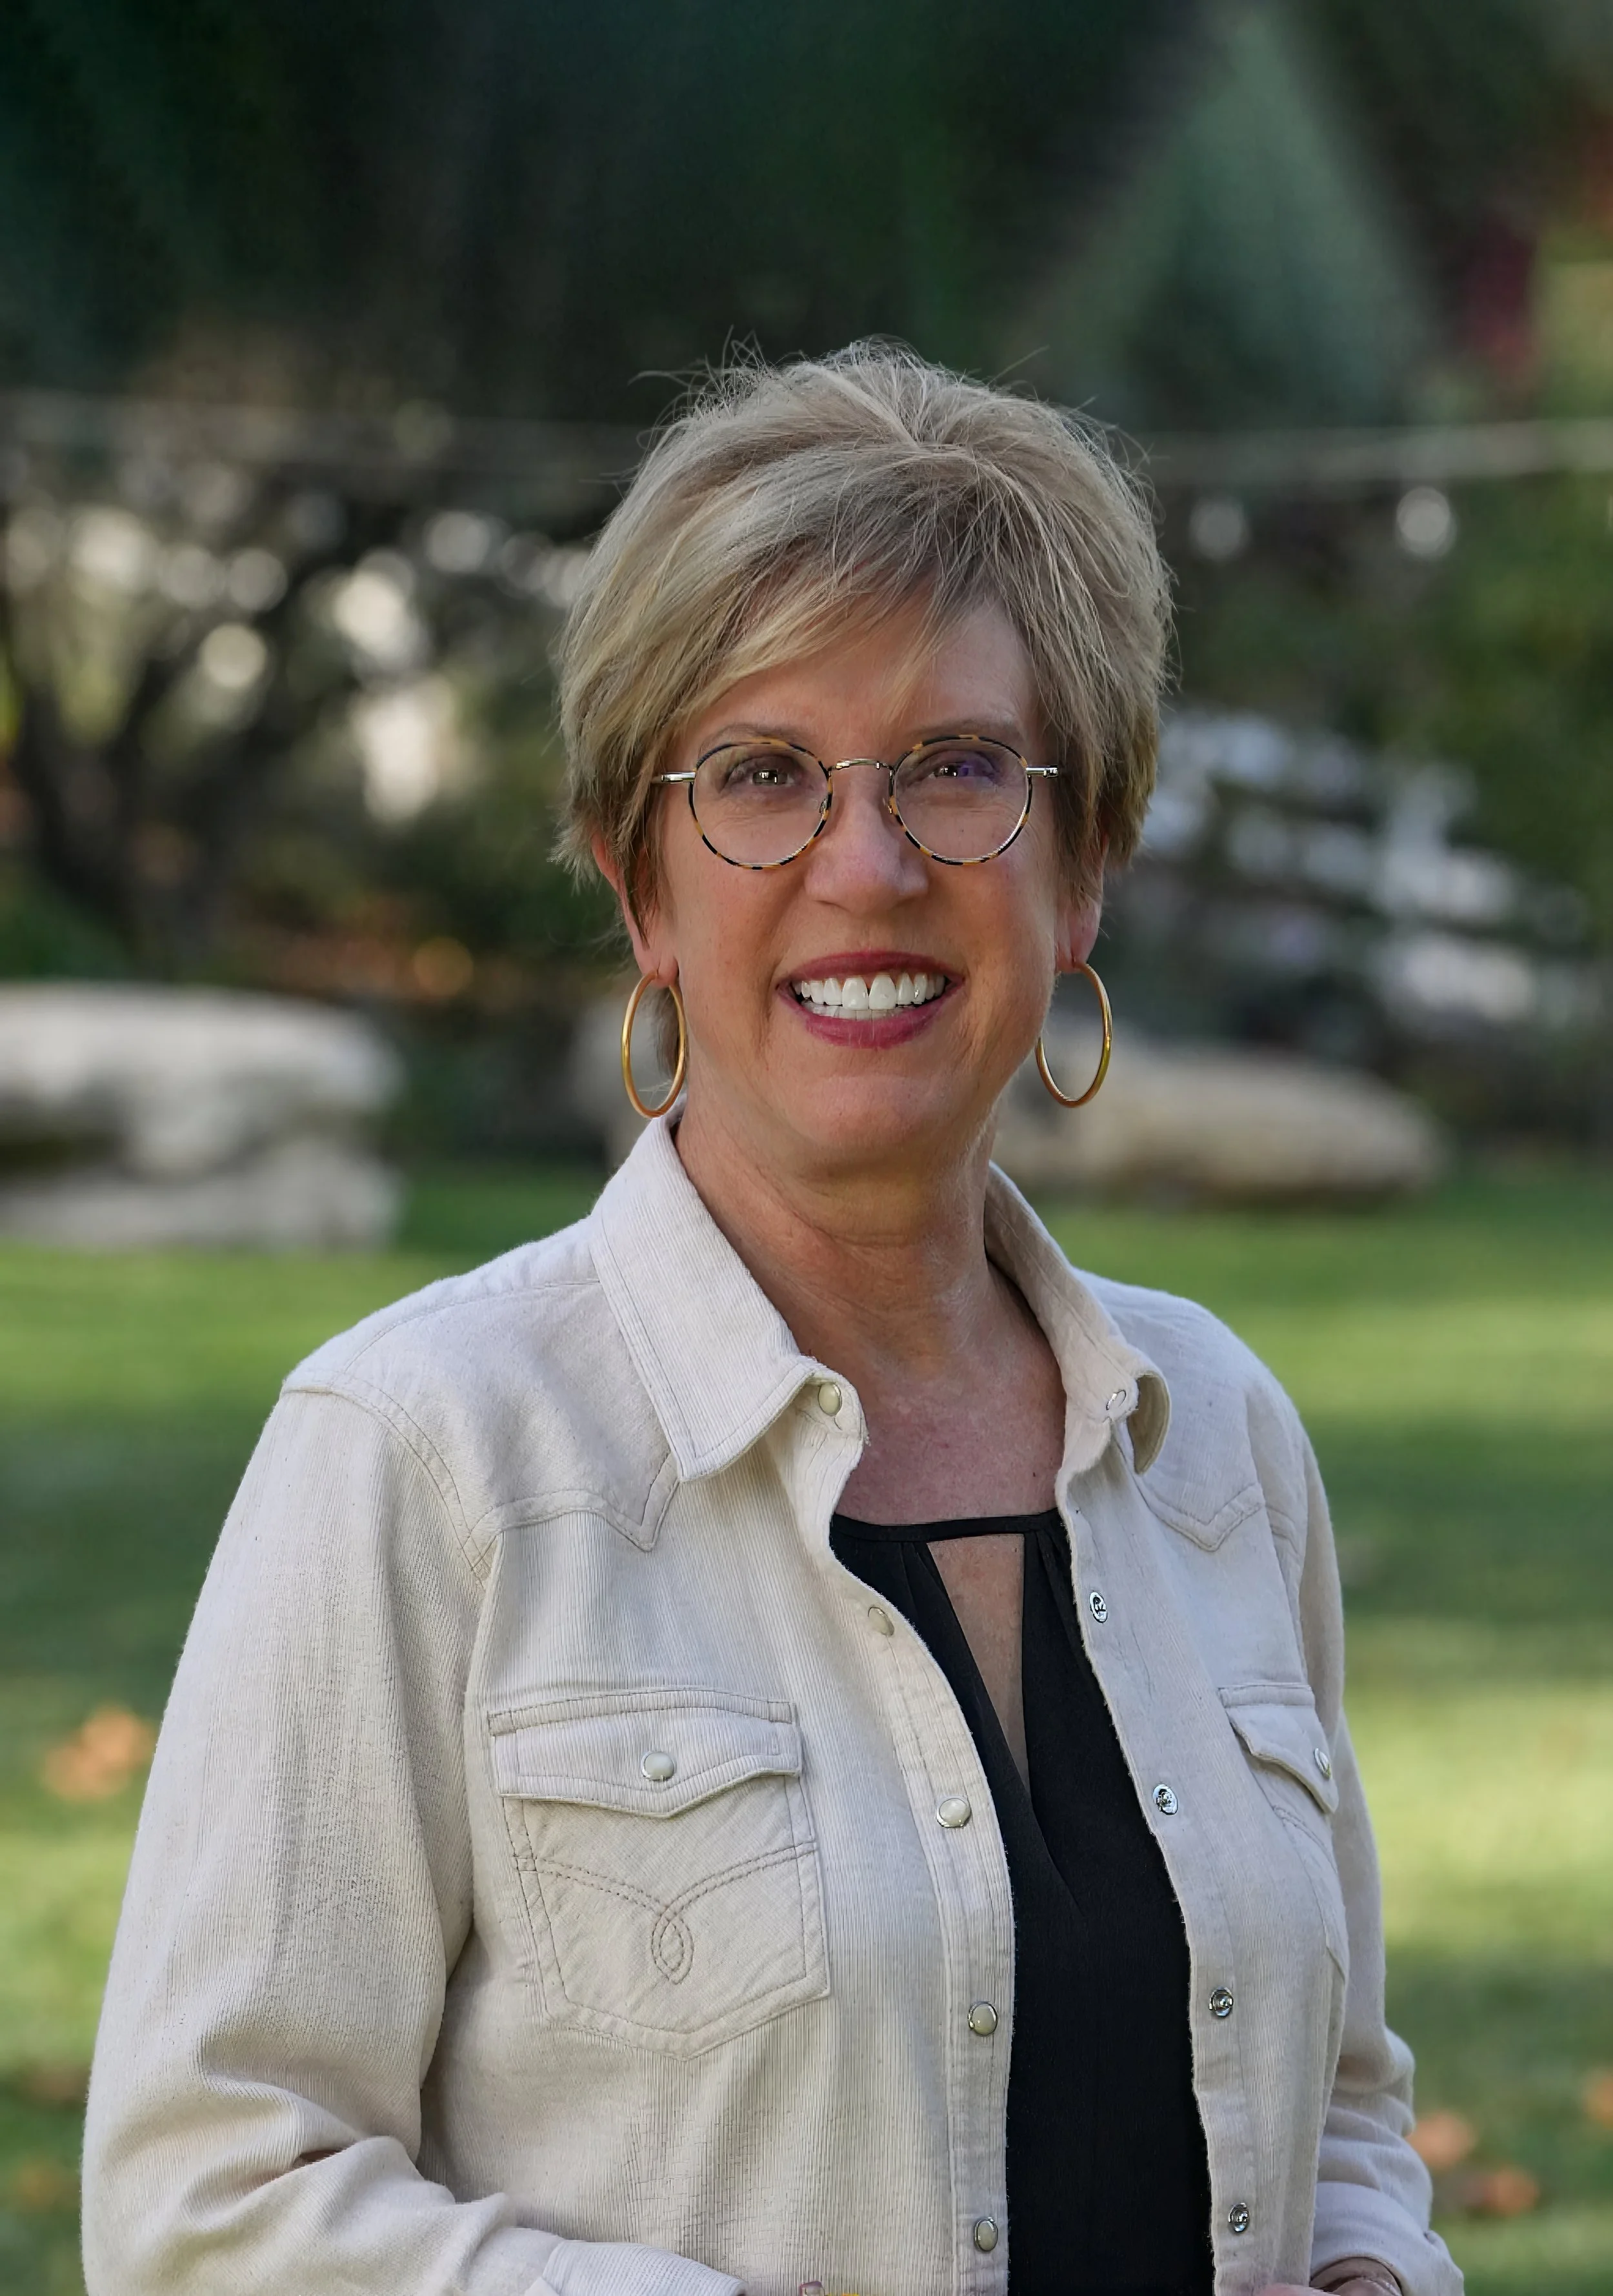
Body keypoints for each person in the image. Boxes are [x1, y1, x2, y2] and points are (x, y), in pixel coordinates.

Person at [83, 347, 1461, 2296]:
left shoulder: (1215, 1437)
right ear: (636, 883)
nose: (867, 866)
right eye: (758, 777)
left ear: (1086, 870)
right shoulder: (429, 1444)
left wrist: (1371, 2265)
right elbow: (201, 2203)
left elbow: (1333, 2101)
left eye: (959, 770)